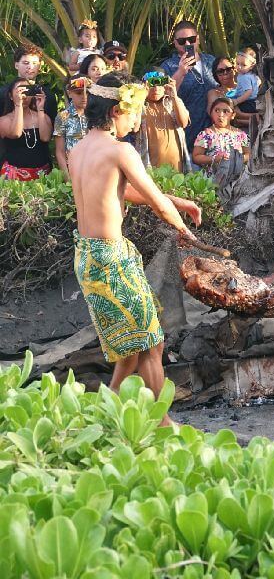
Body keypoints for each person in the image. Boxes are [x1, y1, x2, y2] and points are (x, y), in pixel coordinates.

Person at [68, 72, 202, 423]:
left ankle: (106, 409)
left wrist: (178, 200)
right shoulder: (120, 150)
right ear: (115, 112)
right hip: (110, 257)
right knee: (149, 345)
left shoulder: (79, 149)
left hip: (89, 256)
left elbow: (120, 191)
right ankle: (163, 424)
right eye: (135, 112)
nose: (139, 119)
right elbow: (157, 204)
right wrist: (182, 227)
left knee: (135, 345)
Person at [160, 21, 216, 150]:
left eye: (191, 39)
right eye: (182, 41)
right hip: (185, 134)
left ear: (198, 39)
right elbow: (162, 95)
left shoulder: (211, 61)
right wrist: (180, 72)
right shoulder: (167, 66)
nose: (187, 44)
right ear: (175, 43)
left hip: (213, 133)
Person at [0, 79, 53, 180]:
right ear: (11, 96)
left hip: (41, 175)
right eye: (20, 91)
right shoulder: (4, 120)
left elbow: (46, 137)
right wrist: (18, 105)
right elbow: (15, 133)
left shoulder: (43, 117)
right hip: (14, 177)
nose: (24, 95)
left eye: (27, 91)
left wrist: (40, 109)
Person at [139, 70, 191, 172]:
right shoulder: (139, 105)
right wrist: (141, 96)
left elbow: (183, 123)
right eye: (152, 83)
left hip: (176, 170)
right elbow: (134, 127)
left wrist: (174, 96)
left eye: (160, 83)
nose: (156, 88)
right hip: (149, 170)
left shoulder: (173, 102)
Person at [192, 96, 249, 180]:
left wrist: (238, 159)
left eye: (226, 111)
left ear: (233, 115)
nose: (220, 115)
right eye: (217, 110)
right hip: (212, 181)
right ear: (211, 113)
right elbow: (196, 157)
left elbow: (249, 154)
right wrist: (214, 159)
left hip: (237, 180)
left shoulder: (240, 134)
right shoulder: (206, 135)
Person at [0, 46, 58, 123]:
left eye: (35, 63)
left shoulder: (48, 95)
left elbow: (53, 127)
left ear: (39, 66)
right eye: (26, 63)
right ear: (16, 65)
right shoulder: (3, 93)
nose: (30, 67)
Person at [54, 76, 90, 177]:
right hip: (73, 170)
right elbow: (60, 152)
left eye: (87, 92)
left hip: (95, 169)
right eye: (79, 93)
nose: (84, 96)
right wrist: (67, 178)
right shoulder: (62, 117)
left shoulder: (96, 115)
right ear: (69, 93)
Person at [232, 47, 260, 114]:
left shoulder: (244, 77)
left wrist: (237, 101)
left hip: (248, 102)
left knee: (233, 111)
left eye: (243, 65)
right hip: (255, 102)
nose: (239, 67)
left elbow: (248, 92)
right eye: (237, 63)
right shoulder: (252, 74)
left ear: (251, 66)